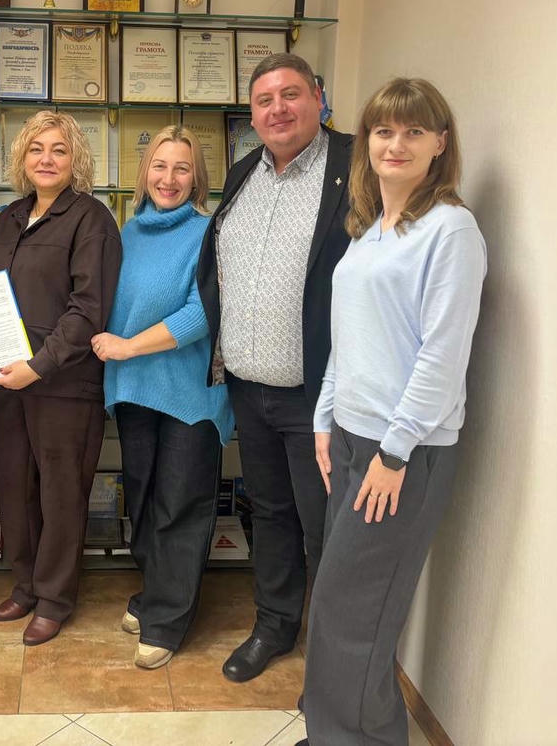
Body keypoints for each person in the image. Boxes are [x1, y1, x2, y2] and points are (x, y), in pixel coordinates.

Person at [300, 78, 486, 745]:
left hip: (403, 453)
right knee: (338, 605)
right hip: (353, 439)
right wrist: (324, 420)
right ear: (366, 143)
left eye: (413, 131)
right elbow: (348, 339)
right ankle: (334, 733)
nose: (395, 143)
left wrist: (394, 451)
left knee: (355, 613)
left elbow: (442, 355)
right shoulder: (369, 232)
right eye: (383, 130)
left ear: (440, 143)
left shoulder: (451, 230)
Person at [196, 52, 353, 682]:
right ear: (252, 114)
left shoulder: (354, 167)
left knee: (326, 526)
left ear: (318, 97)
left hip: (317, 395)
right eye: (264, 100)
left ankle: (338, 658)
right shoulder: (244, 172)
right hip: (248, 386)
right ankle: (274, 626)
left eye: (291, 94)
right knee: (270, 514)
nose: (278, 109)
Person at [90, 126, 234, 669]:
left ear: (197, 177)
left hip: (189, 395)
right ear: (144, 172)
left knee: (181, 504)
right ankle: (157, 594)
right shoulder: (128, 232)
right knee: (147, 499)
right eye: (159, 165)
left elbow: (203, 313)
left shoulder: (210, 233)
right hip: (134, 392)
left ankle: (167, 622)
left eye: (181, 168)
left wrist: (128, 347)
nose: (168, 178)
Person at [0, 110, 121, 646]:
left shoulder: (91, 220)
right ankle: (25, 585)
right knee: (14, 487)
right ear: (22, 158)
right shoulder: (7, 219)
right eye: (37, 148)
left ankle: (56, 598)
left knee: (61, 494)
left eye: (59, 149)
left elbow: (89, 308)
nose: (47, 159)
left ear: (75, 159)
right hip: (7, 382)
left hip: (64, 383)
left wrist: (37, 366)